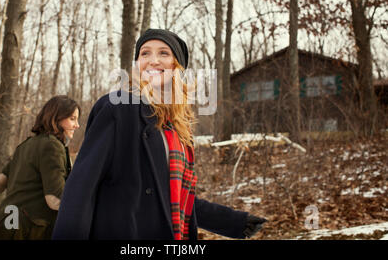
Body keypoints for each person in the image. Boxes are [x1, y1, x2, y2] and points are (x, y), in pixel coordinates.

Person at [52, 29, 267, 240]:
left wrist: (234, 222)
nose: (153, 60)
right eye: (145, 53)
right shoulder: (118, 107)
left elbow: (173, 197)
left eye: (163, 53)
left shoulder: (177, 129)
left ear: (177, 66)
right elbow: (81, 188)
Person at [0, 95, 81, 239]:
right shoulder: (53, 146)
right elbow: (54, 199)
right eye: (72, 119)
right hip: (23, 231)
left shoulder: (25, 145)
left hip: (1, 225)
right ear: (56, 118)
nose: (77, 125)